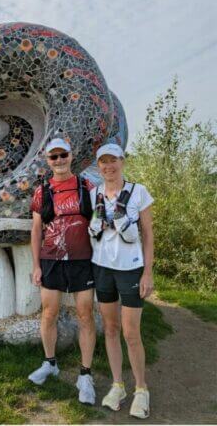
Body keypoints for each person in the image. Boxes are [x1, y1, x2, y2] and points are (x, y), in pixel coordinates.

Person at [27, 138, 98, 405]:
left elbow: (99, 219)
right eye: (53, 157)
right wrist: (36, 265)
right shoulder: (41, 192)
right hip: (51, 259)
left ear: (71, 155)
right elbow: (35, 230)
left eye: (63, 155)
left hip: (82, 260)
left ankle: (86, 375)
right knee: (49, 313)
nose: (59, 160)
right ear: (48, 161)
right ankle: (50, 363)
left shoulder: (86, 186)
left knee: (85, 314)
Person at [87, 144, 154, 419]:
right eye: (103, 162)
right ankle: (118, 385)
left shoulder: (139, 192)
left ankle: (141, 389)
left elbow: (148, 234)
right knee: (111, 329)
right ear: (99, 166)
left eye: (113, 160)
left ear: (122, 162)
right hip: (102, 268)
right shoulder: (94, 194)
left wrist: (148, 272)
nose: (108, 166)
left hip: (130, 269)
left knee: (130, 332)